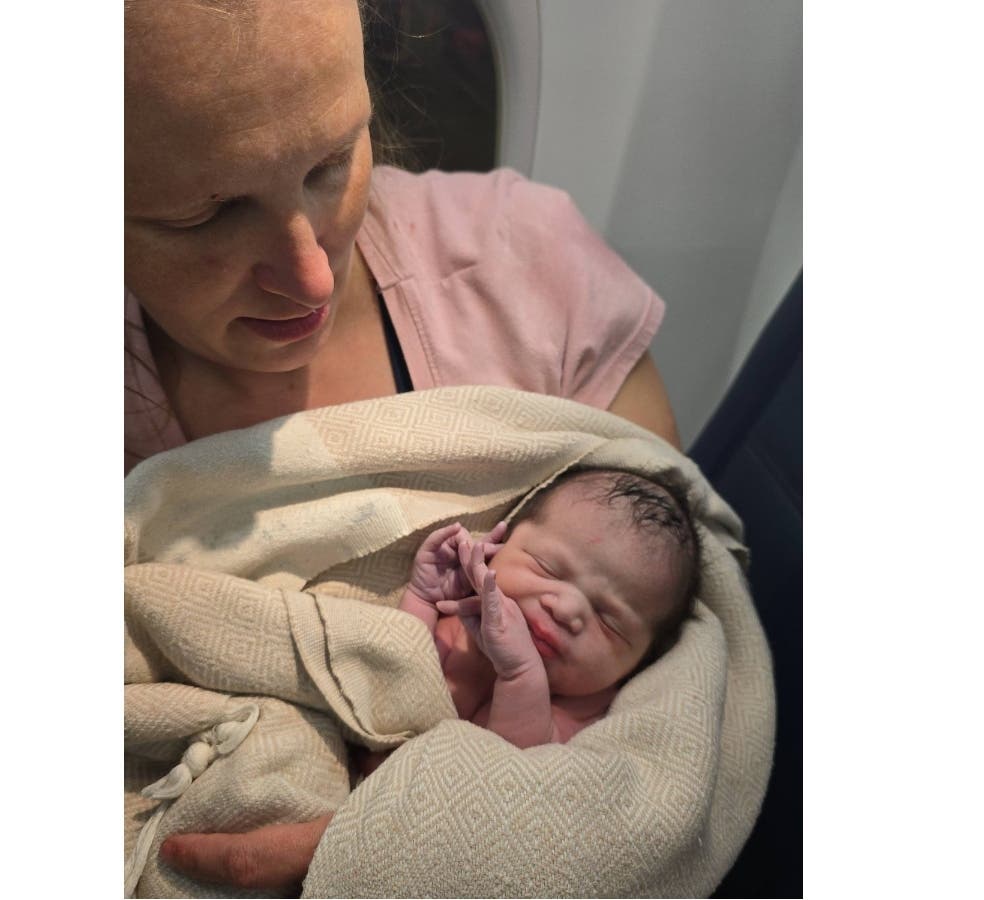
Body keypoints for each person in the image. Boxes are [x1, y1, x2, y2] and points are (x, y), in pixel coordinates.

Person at [125, 0, 683, 889]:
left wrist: (419, 848)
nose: (309, 273)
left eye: (332, 161)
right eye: (207, 214)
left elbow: (678, 706)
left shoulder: (531, 272)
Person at [397, 469, 700, 751]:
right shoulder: (455, 625)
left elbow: (517, 773)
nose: (566, 610)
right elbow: (392, 683)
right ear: (499, 545)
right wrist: (422, 599)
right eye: (547, 569)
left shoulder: (584, 712)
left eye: (609, 622)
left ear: (638, 664)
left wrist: (521, 674)